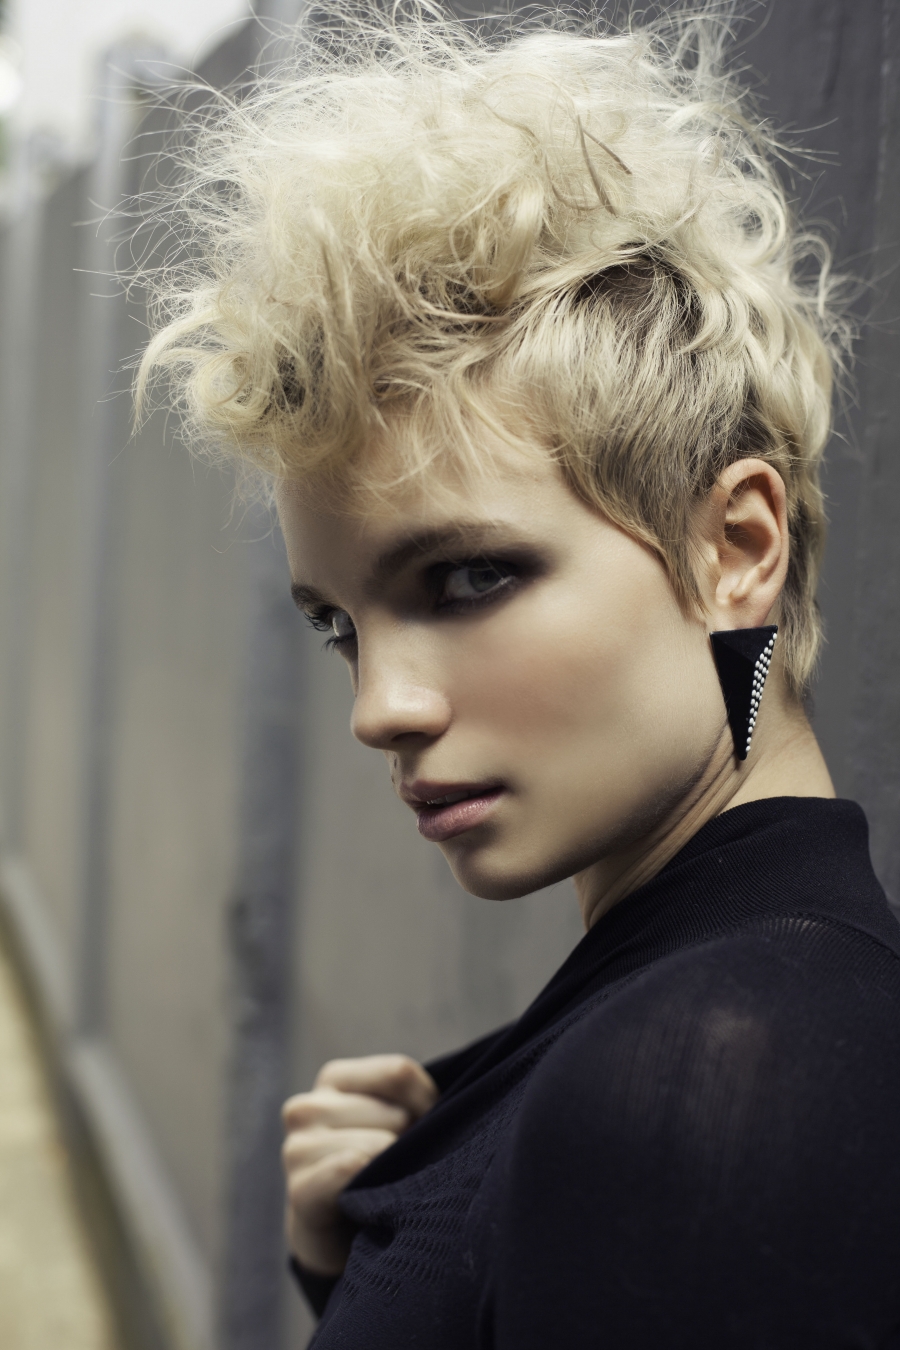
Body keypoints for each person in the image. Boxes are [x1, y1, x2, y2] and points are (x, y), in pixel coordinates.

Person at [137, 4, 900, 1345]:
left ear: (736, 550)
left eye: (468, 578)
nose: (382, 709)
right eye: (340, 625)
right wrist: (372, 1261)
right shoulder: (701, 1021)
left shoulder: (713, 1085)